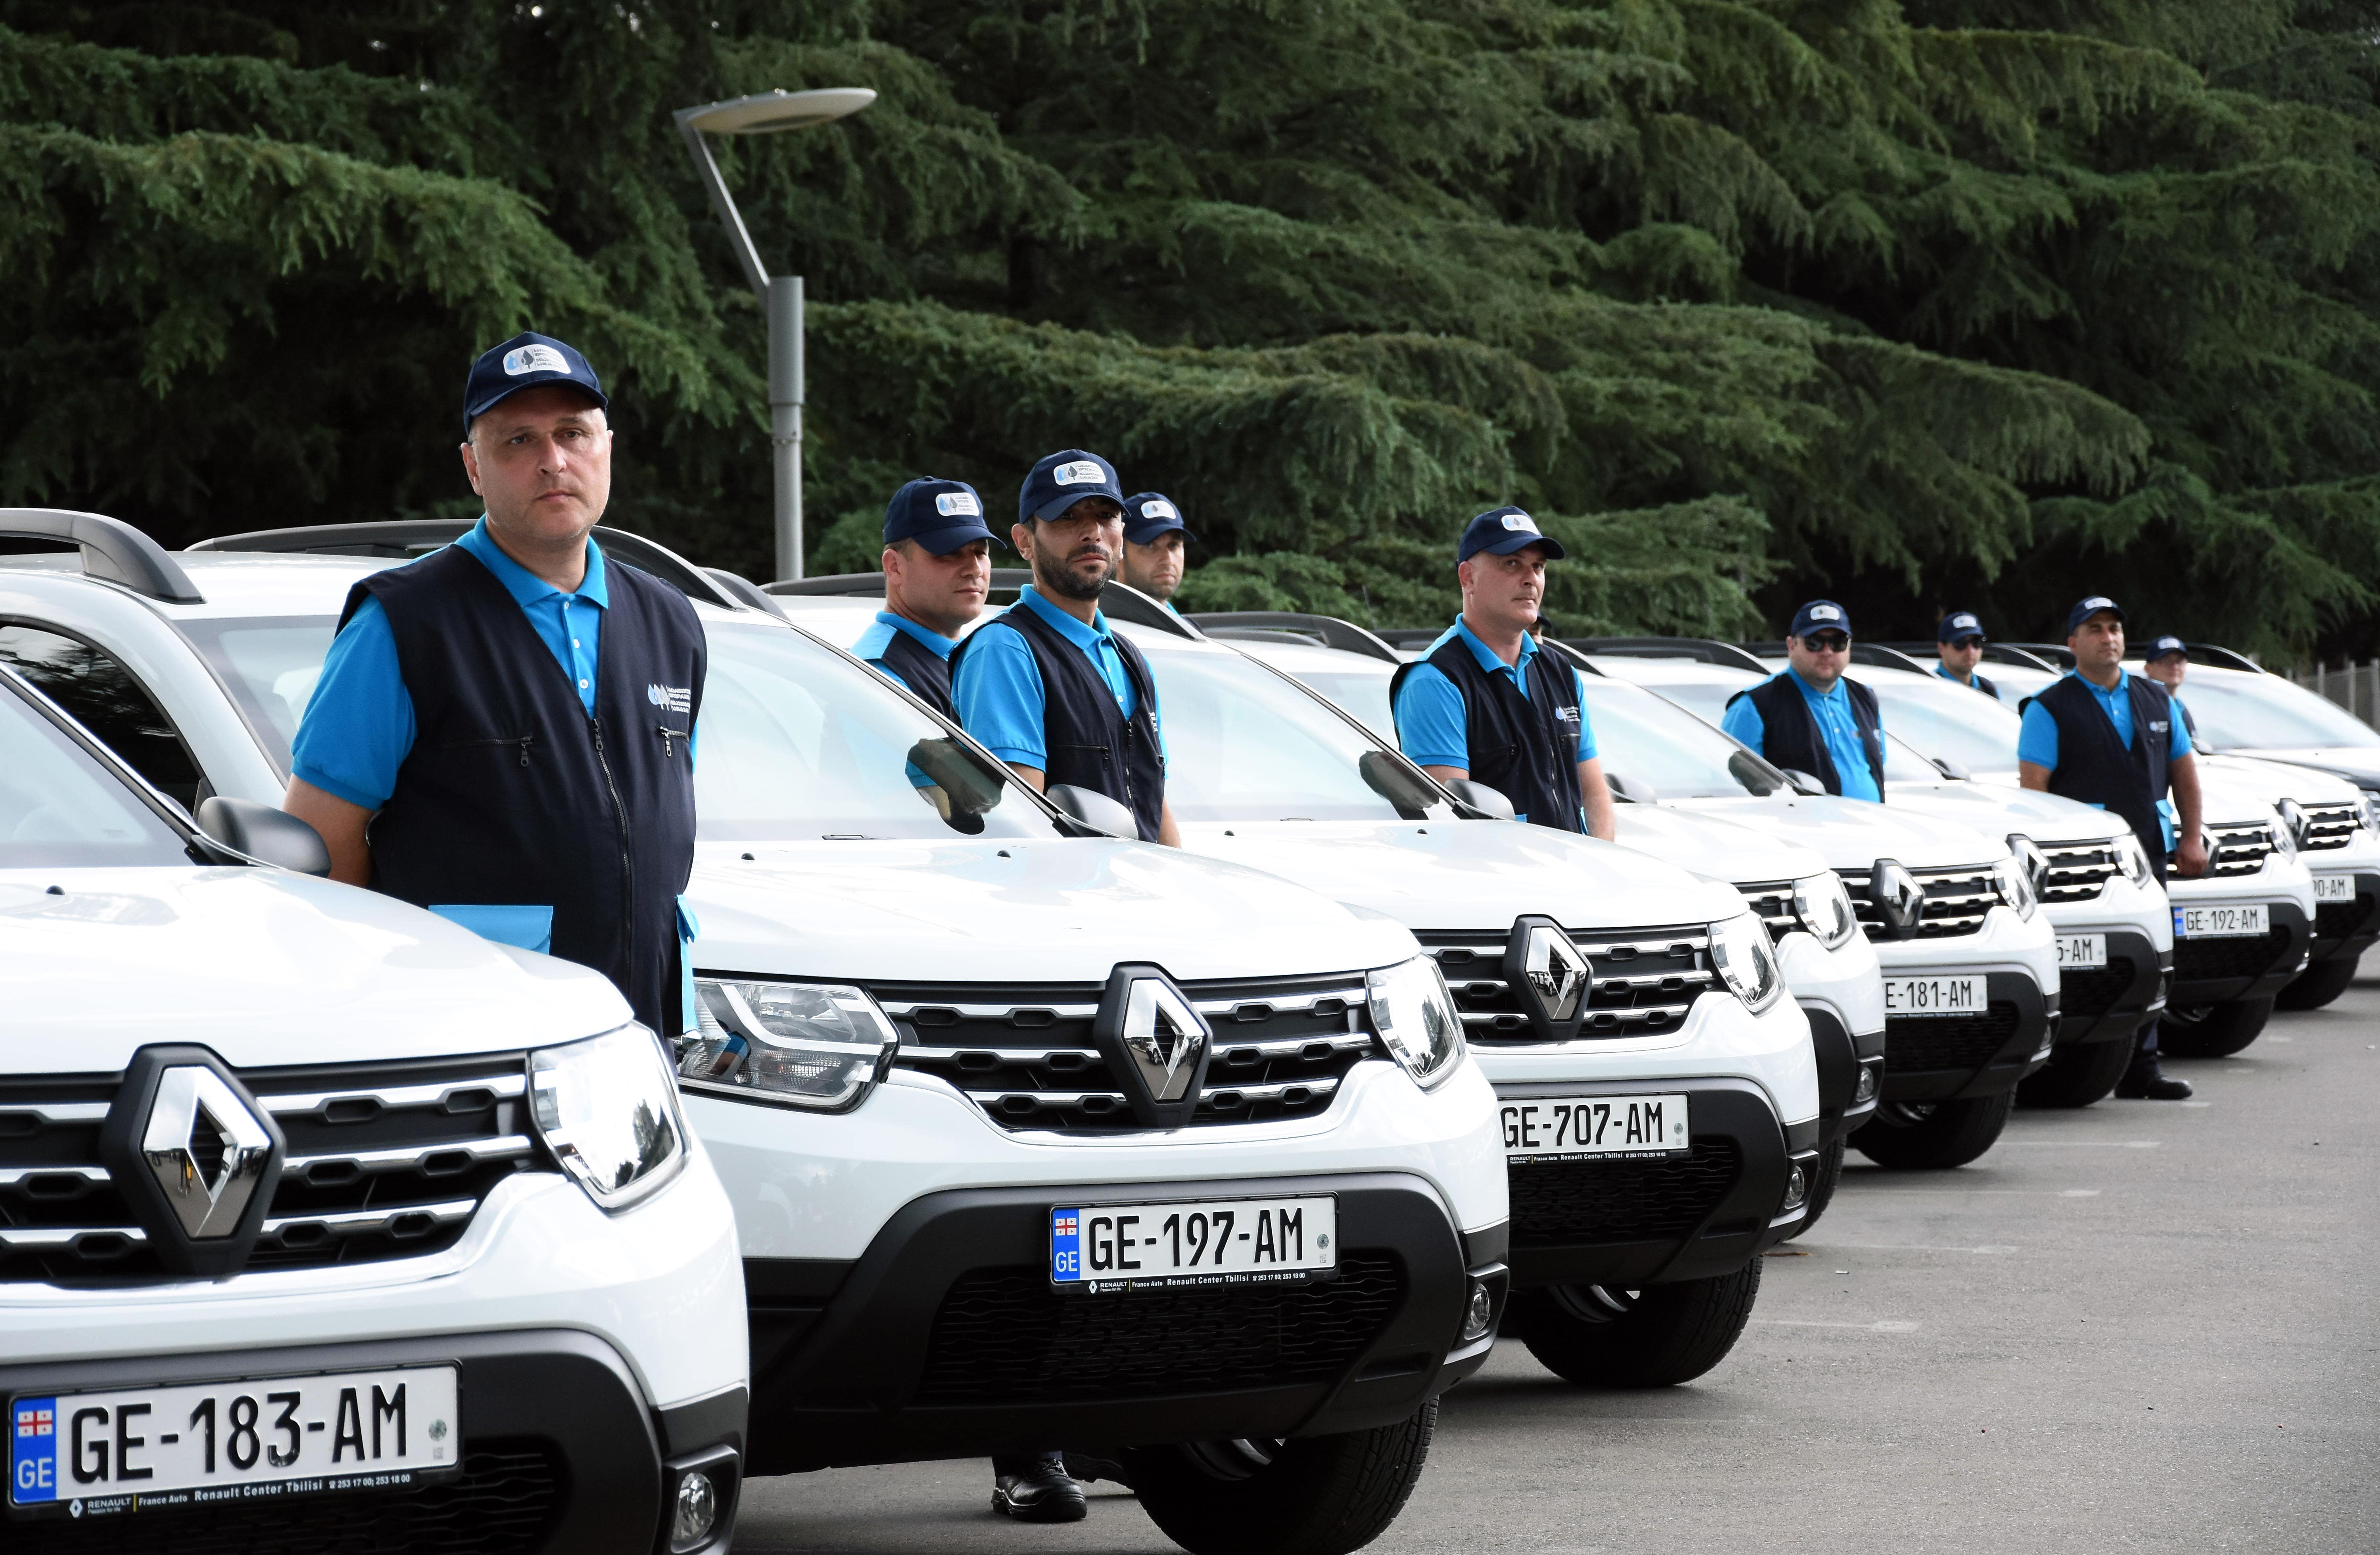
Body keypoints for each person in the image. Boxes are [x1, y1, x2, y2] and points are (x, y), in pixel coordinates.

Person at [283, 332, 702, 1041]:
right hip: (472, 1039)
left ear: (607, 447)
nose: (553, 461)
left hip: (639, 1035)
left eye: (573, 433)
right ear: (474, 468)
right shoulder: (404, 623)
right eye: (518, 441)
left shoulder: (671, 621)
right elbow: (321, 847)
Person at [2018, 597, 2206, 1100]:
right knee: (2087, 963)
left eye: (2115, 628)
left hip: (2148, 851)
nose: (2109, 637)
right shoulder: (2049, 707)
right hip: (2083, 865)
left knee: (2152, 957)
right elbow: (2033, 794)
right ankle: (2067, 1065)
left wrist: (2191, 836)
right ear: (2072, 642)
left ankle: (2143, 1065)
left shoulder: (2156, 699)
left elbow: (2185, 774)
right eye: (2096, 629)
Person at [952, 447, 1181, 850]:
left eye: (1106, 516)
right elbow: (1022, 824)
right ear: (1024, 541)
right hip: (1065, 887)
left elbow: (1156, 804)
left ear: (1122, 536)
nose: (1092, 532)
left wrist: (1178, 879)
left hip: (1141, 885)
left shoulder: (1128, 657)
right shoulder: (1006, 650)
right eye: (1067, 517)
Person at [1389, 507, 1616, 839]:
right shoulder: (1435, 681)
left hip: (1573, 868)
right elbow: (1451, 826)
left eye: (1538, 567)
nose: (1531, 579)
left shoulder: (1561, 672)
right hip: (1500, 871)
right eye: (1512, 564)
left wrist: (1600, 859)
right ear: (1468, 577)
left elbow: (1595, 796)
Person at [850, 477, 995, 719]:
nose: (975, 569)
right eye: (950, 553)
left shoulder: (969, 657)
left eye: (980, 552)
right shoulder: (879, 677)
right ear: (895, 567)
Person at [1720, 601, 1885, 802]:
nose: (1827, 651)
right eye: (1815, 642)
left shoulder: (1865, 697)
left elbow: (1878, 764)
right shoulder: (1755, 704)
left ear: (1849, 646)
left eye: (1838, 642)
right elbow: (1732, 785)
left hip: (1871, 820)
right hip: (1797, 821)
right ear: (1792, 645)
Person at [1118, 490, 1190, 609]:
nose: (1168, 560)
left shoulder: (1182, 622)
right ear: (1118, 553)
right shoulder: (1096, 621)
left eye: (1174, 545)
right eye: (1150, 545)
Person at [2142, 635, 2199, 745]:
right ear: (2148, 668)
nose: (2175, 667)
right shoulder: (2140, 705)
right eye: (2166, 661)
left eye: (2180, 661)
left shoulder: (2181, 708)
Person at [1936, 610, 2001, 699]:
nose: (1970, 651)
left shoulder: (1989, 689)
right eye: (1960, 644)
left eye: (1976, 642)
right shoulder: (1930, 688)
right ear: (1941, 649)